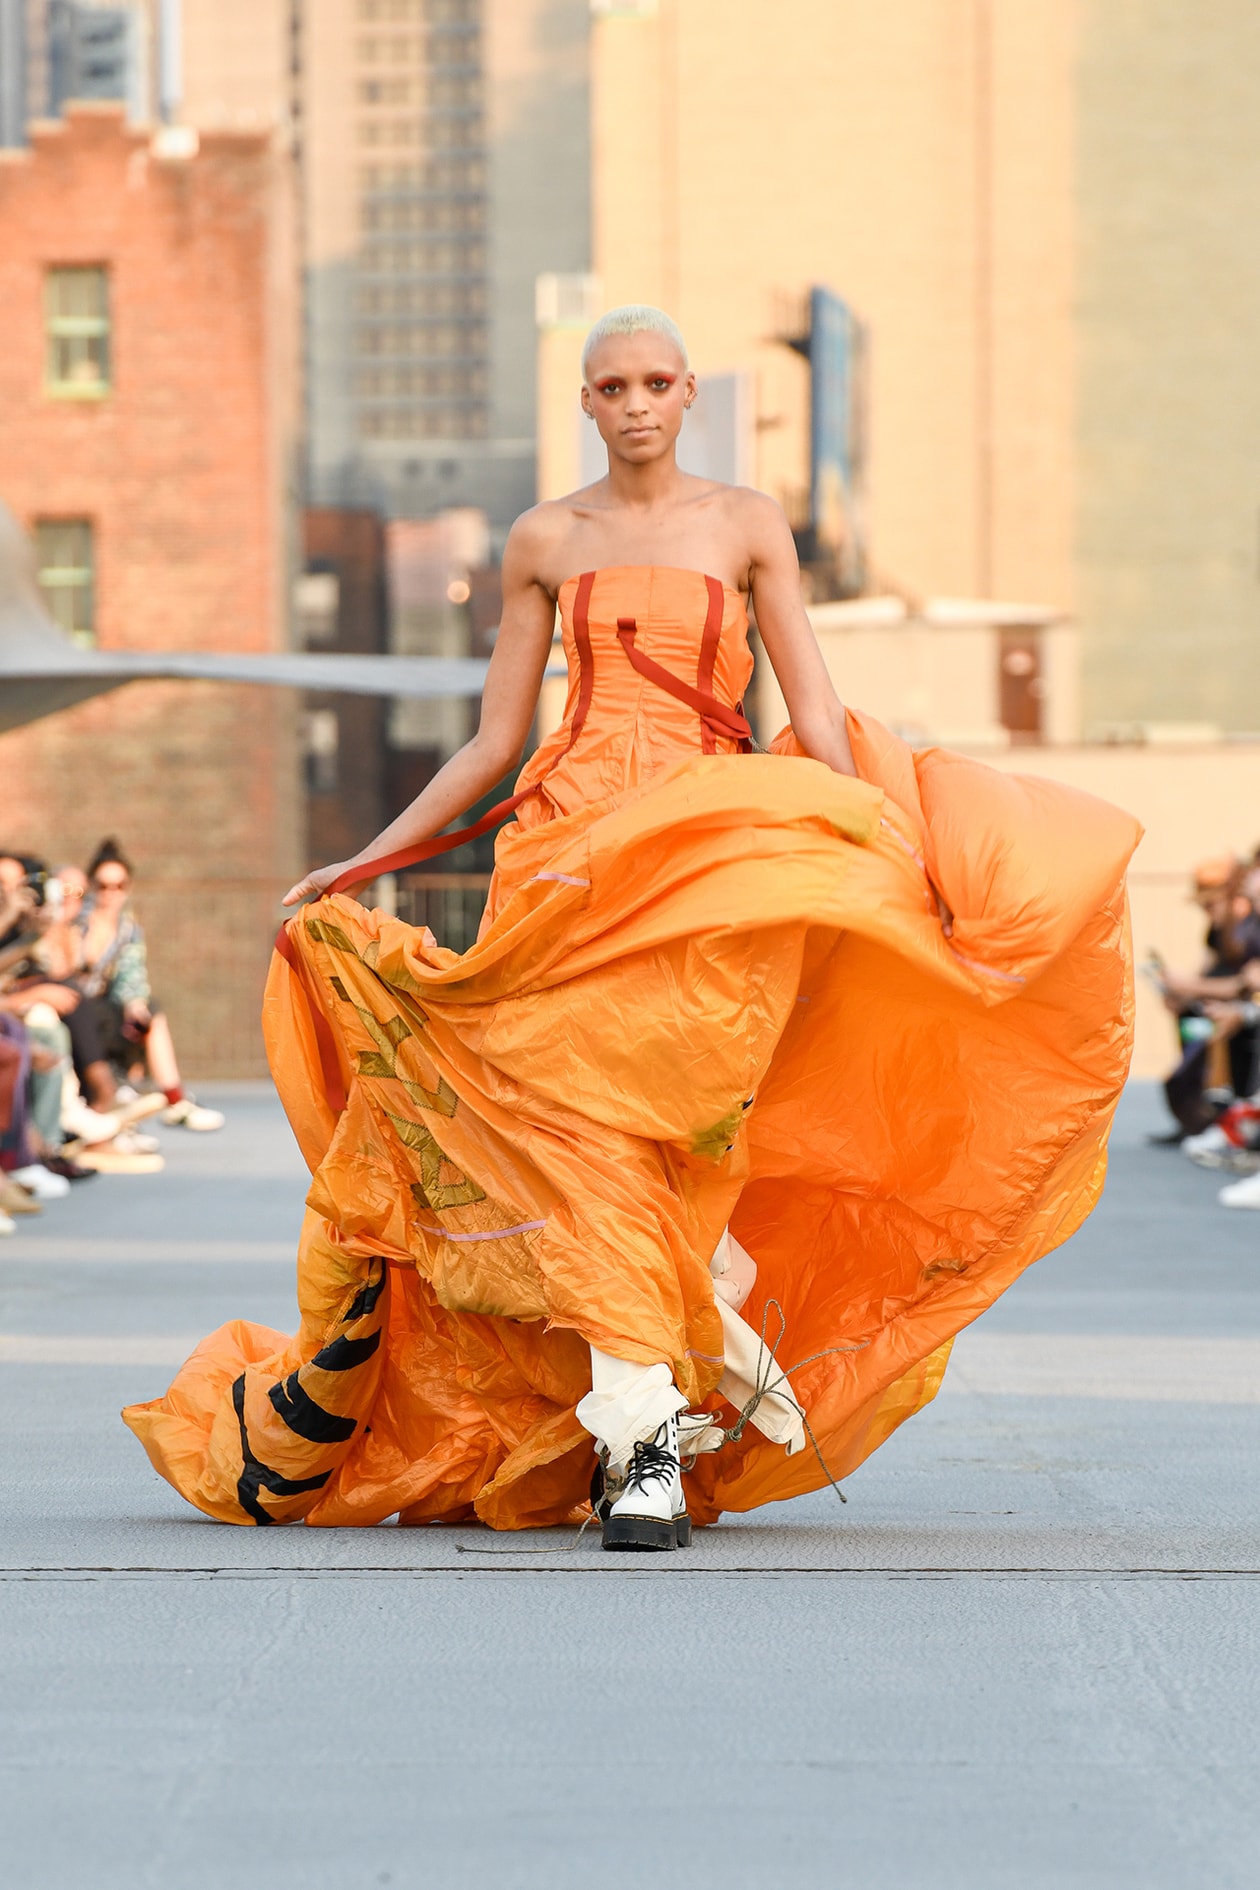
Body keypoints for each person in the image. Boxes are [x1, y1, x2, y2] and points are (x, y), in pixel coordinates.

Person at [126, 306, 1139, 1549]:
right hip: (564, 858)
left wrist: (899, 854)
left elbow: (813, 710)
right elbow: (498, 739)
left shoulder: (749, 524)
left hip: (712, 858)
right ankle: (649, 1435)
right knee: (574, 1135)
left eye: (658, 381)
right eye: (614, 386)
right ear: (589, 403)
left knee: (678, 1142)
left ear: (690, 392)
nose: (638, 403)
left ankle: (692, 1355)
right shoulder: (545, 537)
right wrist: (374, 857)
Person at [75, 841, 224, 1133]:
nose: (110, 894)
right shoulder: (78, 921)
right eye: (103, 886)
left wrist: (135, 1006)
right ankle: (128, 1103)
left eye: (118, 886)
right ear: (92, 885)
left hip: (104, 1009)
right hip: (78, 1006)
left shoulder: (128, 928)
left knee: (149, 1012)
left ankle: (174, 1097)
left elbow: (131, 978)